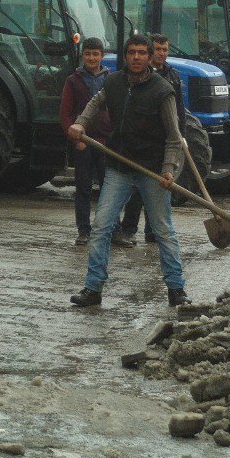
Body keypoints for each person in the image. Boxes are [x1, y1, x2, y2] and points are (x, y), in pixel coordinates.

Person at [66, 34, 191, 307]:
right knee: (101, 226)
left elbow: (173, 137)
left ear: (149, 57)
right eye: (132, 52)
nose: (136, 57)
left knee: (162, 230)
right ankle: (93, 288)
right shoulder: (113, 82)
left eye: (142, 53)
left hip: (152, 171)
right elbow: (95, 104)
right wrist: (80, 123)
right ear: (126, 56)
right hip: (119, 167)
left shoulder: (162, 90)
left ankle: (176, 289)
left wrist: (169, 169)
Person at [114, 33, 186, 246]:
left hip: (166, 143)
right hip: (143, 141)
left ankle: (153, 231)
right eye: (158, 49)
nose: (162, 54)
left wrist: (181, 134)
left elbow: (178, 109)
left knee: (161, 186)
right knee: (138, 189)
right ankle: (128, 229)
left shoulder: (173, 76)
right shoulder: (140, 77)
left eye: (165, 49)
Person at [60, 37, 112, 246]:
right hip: (83, 143)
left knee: (110, 189)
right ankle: (84, 230)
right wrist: (75, 140)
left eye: (96, 54)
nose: (92, 58)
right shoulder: (73, 80)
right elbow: (65, 114)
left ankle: (112, 229)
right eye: (88, 54)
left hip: (106, 144)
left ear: (102, 56)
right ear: (83, 56)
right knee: (83, 188)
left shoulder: (111, 79)